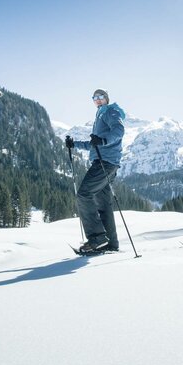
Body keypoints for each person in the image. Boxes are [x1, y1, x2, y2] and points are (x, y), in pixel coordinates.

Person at [65, 89, 125, 253]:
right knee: (103, 202)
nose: (98, 100)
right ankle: (111, 243)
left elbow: (118, 131)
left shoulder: (110, 111)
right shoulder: (100, 115)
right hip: (108, 162)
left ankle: (97, 237)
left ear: (106, 98)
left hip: (105, 162)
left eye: (100, 97)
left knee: (84, 194)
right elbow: (94, 144)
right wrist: (74, 144)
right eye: (95, 98)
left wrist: (104, 140)